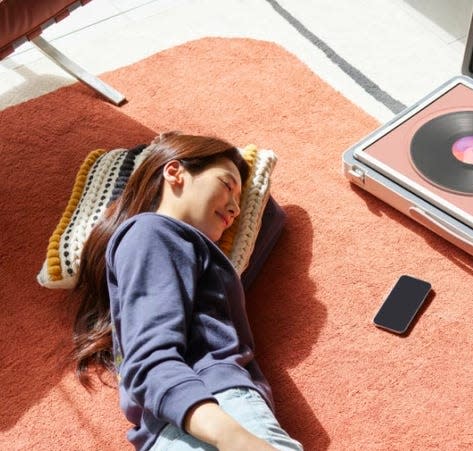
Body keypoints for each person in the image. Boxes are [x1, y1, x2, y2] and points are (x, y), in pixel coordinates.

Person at [71, 132, 303, 451]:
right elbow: (150, 358)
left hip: (181, 424)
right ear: (175, 172)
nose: (236, 208)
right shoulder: (151, 233)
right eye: (226, 185)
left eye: (239, 199)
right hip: (212, 409)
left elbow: (272, 218)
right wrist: (234, 437)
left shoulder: (187, 253)